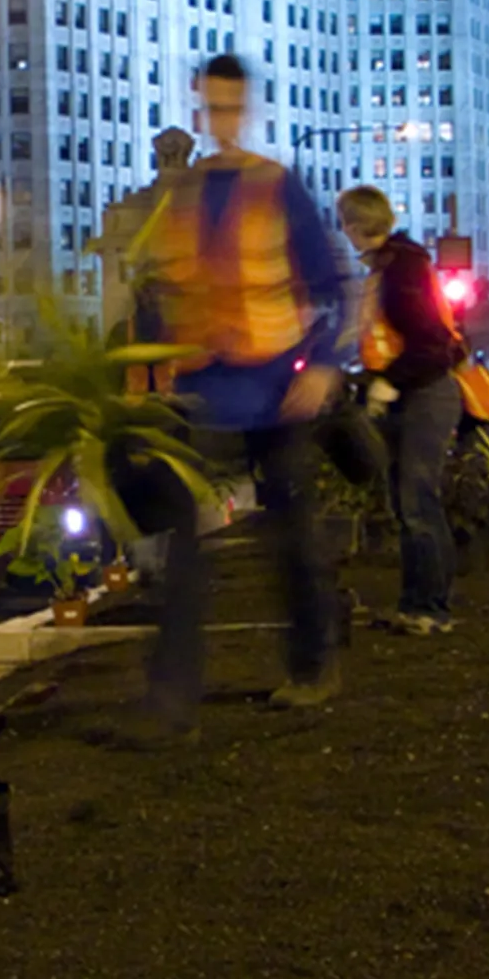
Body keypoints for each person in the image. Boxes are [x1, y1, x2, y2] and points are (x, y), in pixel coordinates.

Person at [128, 53, 355, 726]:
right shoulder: (183, 196)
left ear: (245, 109)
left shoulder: (276, 186)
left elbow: (333, 284)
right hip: (202, 389)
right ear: (200, 110)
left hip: (276, 387)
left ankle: (313, 667)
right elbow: (157, 295)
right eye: (212, 106)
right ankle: (172, 692)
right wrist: (145, 382)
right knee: (181, 545)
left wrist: (321, 365)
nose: (221, 118)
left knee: (294, 534)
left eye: (231, 106)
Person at [340, 186, 462, 635]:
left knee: (417, 503)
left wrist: (391, 381)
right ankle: (418, 606)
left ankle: (431, 608)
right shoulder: (398, 264)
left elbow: (431, 343)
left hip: (422, 393)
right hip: (418, 390)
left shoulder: (400, 270)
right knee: (411, 503)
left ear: (352, 226)